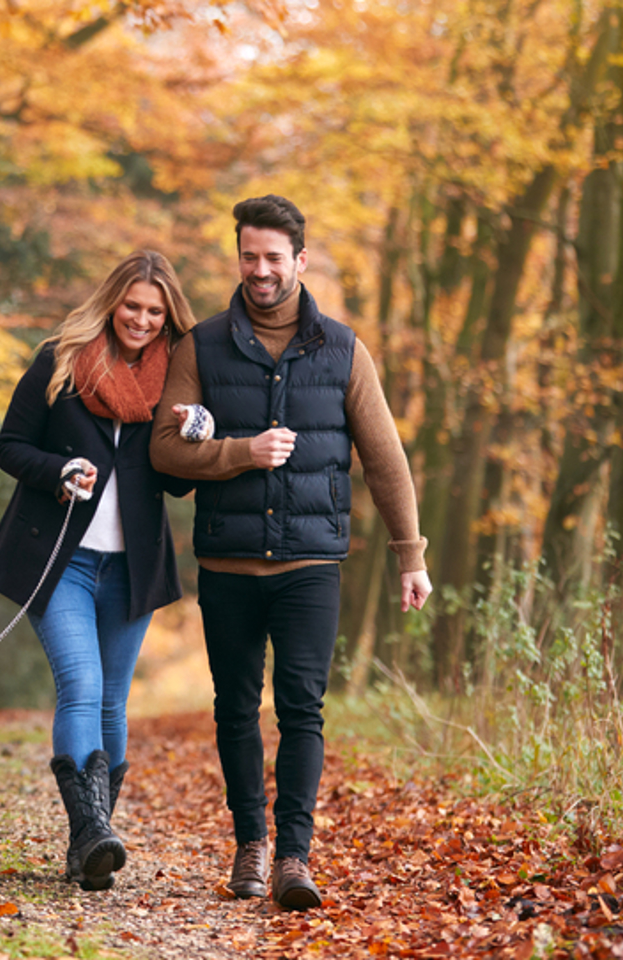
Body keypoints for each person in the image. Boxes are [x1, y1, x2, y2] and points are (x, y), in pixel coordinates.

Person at [149, 195, 433, 910]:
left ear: (300, 262)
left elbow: (386, 459)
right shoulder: (202, 347)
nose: (261, 270)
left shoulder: (342, 350)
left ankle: (295, 858)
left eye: (275, 258)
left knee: (303, 709)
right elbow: (162, 451)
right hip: (227, 564)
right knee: (236, 710)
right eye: (250, 256)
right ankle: (251, 845)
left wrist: (411, 555)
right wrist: (240, 453)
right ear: (238, 257)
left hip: (311, 564)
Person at [0, 249, 204, 891]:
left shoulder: (175, 381)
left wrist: (193, 434)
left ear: (168, 319)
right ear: (112, 302)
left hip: (132, 568)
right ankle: (90, 834)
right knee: (80, 683)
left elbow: (180, 487)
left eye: (154, 312)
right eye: (132, 306)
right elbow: (9, 445)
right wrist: (57, 471)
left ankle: (93, 842)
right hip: (61, 562)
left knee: (113, 698)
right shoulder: (62, 359)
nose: (140, 319)